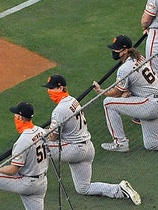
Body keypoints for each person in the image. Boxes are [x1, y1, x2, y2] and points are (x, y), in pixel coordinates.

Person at [42, 74, 141, 205]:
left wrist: (45, 133)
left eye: (51, 88)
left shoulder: (59, 110)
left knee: (36, 142)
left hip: (73, 150)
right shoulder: (73, 100)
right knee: (83, 188)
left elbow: (53, 136)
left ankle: (25, 177)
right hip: (87, 149)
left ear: (60, 88)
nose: (49, 91)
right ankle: (120, 190)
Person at [0, 101, 48, 210]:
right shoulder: (41, 131)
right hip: (42, 182)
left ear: (20, 117)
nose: (14, 117)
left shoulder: (23, 141)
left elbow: (13, 170)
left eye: (16, 115)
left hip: (27, 183)